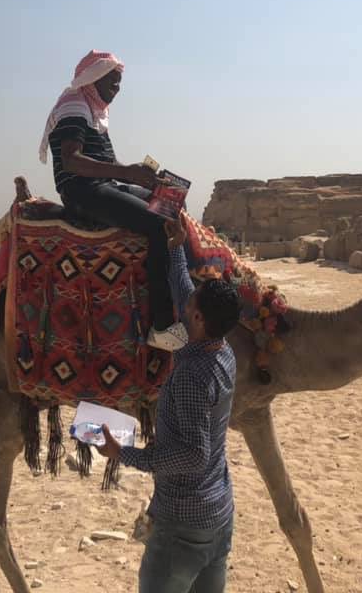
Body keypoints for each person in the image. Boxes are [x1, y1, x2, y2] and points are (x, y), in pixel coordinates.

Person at [98, 212, 241, 593]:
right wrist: (177, 248)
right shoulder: (221, 350)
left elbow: (193, 455)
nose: (186, 299)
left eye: (192, 304)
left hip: (183, 528)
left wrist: (123, 454)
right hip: (218, 515)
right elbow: (183, 293)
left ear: (197, 319)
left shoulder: (193, 375)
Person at [39, 50, 186, 351]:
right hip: (83, 192)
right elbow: (71, 161)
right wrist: (126, 172)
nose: (116, 89)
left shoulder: (94, 111)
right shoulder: (74, 106)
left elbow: (105, 161)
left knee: (169, 205)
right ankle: (161, 326)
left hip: (103, 185)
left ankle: (184, 289)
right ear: (93, 79)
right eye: (111, 82)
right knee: (157, 225)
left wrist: (140, 176)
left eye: (119, 84)